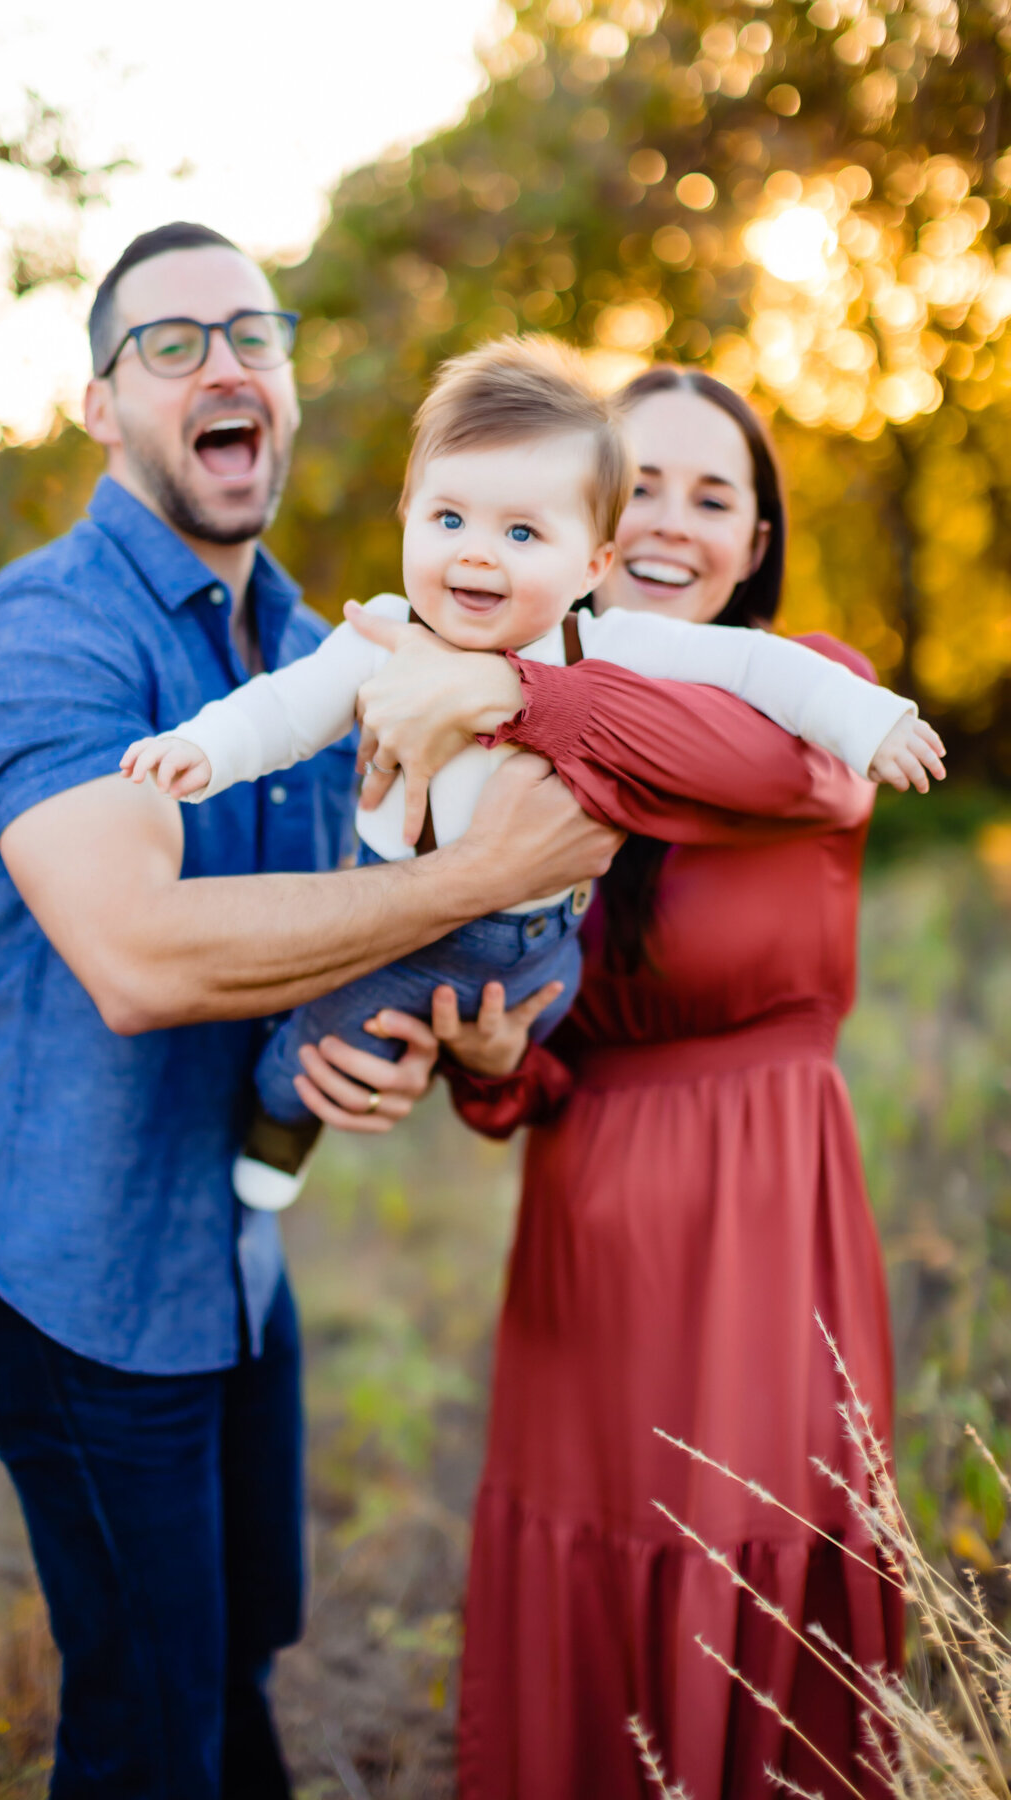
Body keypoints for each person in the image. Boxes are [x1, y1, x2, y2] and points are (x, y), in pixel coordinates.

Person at [0, 222, 619, 1800]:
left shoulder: (324, 646)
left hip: (228, 1262)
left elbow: (375, 917)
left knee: (234, 1674)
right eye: (172, 343)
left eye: (256, 332)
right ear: (99, 405)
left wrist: (451, 1030)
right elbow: (143, 957)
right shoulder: (55, 630)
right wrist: (474, 878)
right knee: (150, 1734)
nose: (226, 365)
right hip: (67, 1271)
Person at [347, 367, 918, 1798]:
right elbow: (529, 1054)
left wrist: (509, 681)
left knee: (759, 1554)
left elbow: (803, 774)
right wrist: (490, 1065)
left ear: (757, 543)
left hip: (768, 1224)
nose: (672, 523)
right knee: (591, 1587)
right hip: (589, 1237)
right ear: (594, 524)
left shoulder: (821, 696)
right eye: (641, 485)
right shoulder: (537, 758)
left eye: (712, 497)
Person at [121, 337, 937, 1212]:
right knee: (324, 1040)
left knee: (472, 1027)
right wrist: (203, 751)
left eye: (520, 532)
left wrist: (870, 718)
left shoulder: (607, 648)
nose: (479, 553)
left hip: (550, 955)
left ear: (593, 562)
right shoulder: (382, 637)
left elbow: (760, 670)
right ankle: (283, 1135)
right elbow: (282, 711)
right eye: (448, 520)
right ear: (407, 515)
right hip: (411, 929)